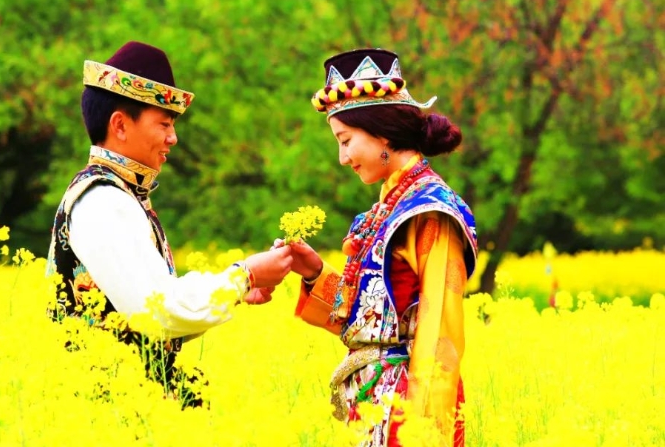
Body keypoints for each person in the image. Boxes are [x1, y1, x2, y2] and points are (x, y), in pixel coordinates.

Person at [45, 40, 293, 407]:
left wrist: (239, 290)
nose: (173, 138)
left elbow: (150, 315)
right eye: (164, 124)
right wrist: (243, 277)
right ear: (120, 125)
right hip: (110, 409)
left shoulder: (120, 194)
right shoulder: (102, 200)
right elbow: (156, 312)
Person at [283, 48, 478, 446]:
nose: (342, 158)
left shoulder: (428, 211)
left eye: (346, 141)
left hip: (407, 410)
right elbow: (365, 322)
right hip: (372, 405)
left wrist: (423, 435)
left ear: (383, 133)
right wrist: (313, 272)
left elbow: (439, 339)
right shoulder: (386, 209)